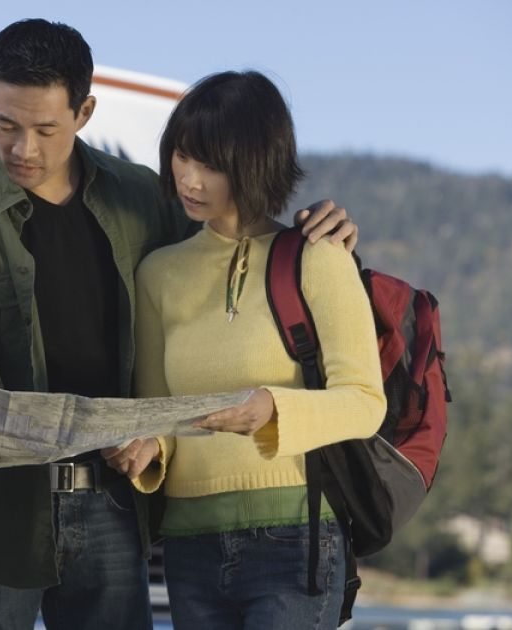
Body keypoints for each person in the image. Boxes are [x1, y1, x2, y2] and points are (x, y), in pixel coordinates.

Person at [0, 19, 359, 630]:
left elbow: (230, 253)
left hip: (113, 501)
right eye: (6, 125)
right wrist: (37, 424)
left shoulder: (141, 197)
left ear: (85, 111)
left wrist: (321, 233)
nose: (24, 149)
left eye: (46, 128)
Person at [129, 70, 387, 629]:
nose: (190, 179)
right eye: (182, 155)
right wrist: (148, 448)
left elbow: (366, 401)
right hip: (188, 544)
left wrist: (275, 407)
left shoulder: (317, 256)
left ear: (255, 165)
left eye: (212, 165)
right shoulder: (158, 274)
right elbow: (159, 413)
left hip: (295, 537)